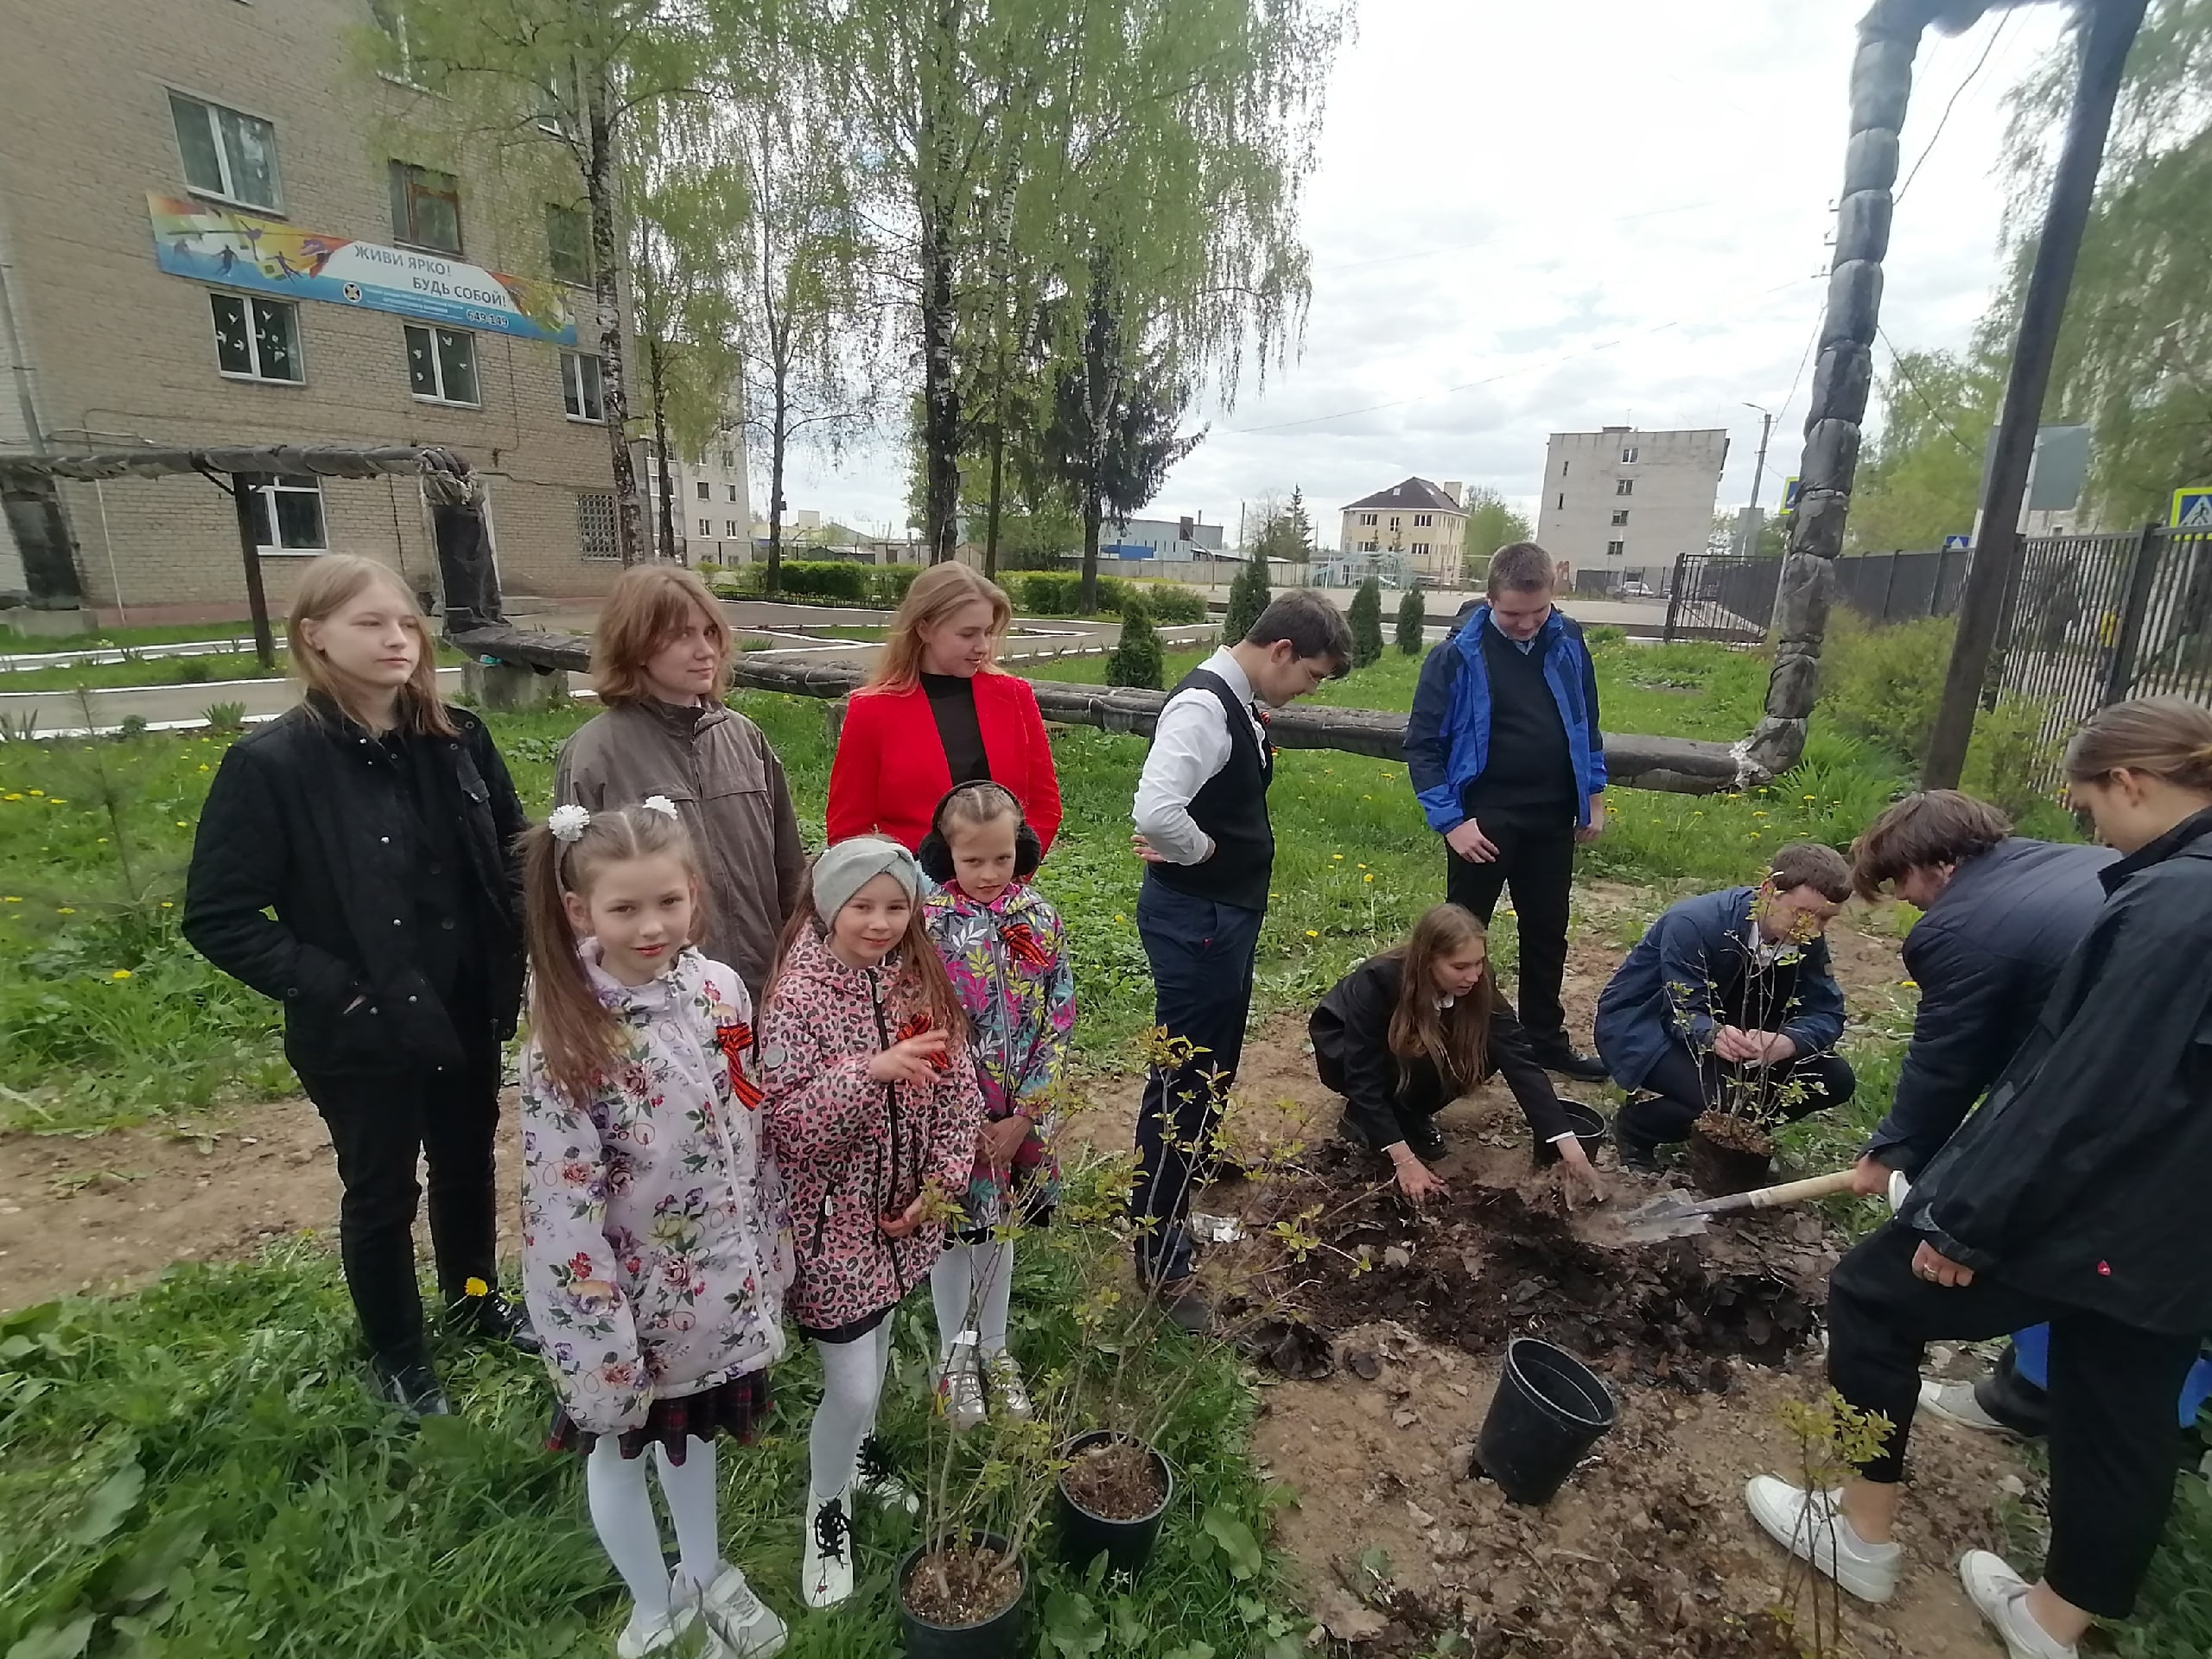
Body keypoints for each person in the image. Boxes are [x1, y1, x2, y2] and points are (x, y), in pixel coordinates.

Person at [1744, 697, 2212, 1659]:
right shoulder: (2156, 878)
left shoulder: (2171, 905)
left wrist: (1962, 1218)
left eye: (2091, 806)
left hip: (2119, 1200)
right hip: (2188, 1222)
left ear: (2130, 783)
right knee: (2120, 1402)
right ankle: (2050, 1623)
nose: (2093, 831)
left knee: (1873, 1297)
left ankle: (1860, 1534)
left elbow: (2072, 1087)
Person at [184, 555, 533, 1420]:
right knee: (380, 1190)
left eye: (407, 623)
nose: (395, 640)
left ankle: (475, 1295)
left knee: (465, 1165)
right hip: (361, 1026)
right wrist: (335, 990)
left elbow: (513, 857)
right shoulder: (274, 764)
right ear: (314, 638)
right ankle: (400, 1356)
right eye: (369, 623)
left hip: (462, 1006)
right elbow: (220, 914)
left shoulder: (458, 740)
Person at [517, 801, 791, 1659]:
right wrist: (600, 1342)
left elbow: (746, 1122)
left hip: (712, 1298)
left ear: (694, 894)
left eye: (667, 903)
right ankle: (651, 1607)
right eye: (625, 909)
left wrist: (767, 1249)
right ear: (578, 913)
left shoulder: (718, 992)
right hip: (627, 1313)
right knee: (621, 1452)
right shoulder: (569, 1039)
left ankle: (705, 1575)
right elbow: (561, 1212)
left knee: (691, 1437)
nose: (651, 926)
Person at [1840, 791, 2133, 1440]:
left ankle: (1856, 1522)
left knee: (1869, 1292)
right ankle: (2027, 1398)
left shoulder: (1964, 926)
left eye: (1900, 880)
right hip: (2160, 1122)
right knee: (2106, 1297)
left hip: (2104, 1132)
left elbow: (1947, 1067)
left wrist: (1895, 1151)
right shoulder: (2072, 862)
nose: (1907, 899)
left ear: (1939, 862)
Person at [758, 837, 983, 1610]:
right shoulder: (797, 997)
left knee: (878, 1357)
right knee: (850, 1386)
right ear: (828, 908)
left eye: (897, 906)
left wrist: (943, 1181)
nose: (882, 923)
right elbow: (785, 1126)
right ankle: (828, 1508)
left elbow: (959, 1094)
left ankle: (856, 1461)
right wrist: (868, 1072)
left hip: (902, 1225)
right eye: (863, 907)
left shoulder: (917, 978)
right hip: (832, 1235)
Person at [1129, 589, 1353, 1328]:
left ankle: (1169, 1214)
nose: (1308, 691)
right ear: (1282, 651)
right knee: (1187, 1074)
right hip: (1198, 921)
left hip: (1219, 919)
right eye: (1313, 675)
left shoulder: (1237, 702)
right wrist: (1200, 852)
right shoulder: (1202, 708)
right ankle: (1159, 1255)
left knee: (1211, 1068)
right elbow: (1157, 810)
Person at [1404, 543, 1609, 1083]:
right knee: (1461, 940)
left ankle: (1544, 1040)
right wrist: (1451, 821)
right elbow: (1422, 745)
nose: (1527, 625)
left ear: (1552, 597)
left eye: (1537, 613)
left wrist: (1592, 793)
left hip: (1552, 817)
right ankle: (1449, 1044)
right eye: (1514, 614)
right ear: (1490, 598)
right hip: (1483, 821)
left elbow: (1586, 720)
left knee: (1548, 931)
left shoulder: (1567, 641)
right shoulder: (1455, 655)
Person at [556, 564, 808, 1004]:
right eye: (682, 636)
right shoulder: (594, 755)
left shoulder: (745, 738)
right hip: (656, 1001)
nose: (705, 650)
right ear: (635, 647)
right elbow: (571, 895)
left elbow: (788, 867)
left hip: (765, 986)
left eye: (711, 633)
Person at [919, 782, 1075, 1429]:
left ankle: (996, 1345)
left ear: (1022, 852)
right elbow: (914, 1023)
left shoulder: (1040, 919)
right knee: (954, 1229)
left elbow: (1058, 1017)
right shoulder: (925, 927)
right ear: (945, 857)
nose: (987, 875)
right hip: (952, 1117)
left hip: (1017, 1117)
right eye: (972, 861)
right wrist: (965, 1117)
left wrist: (1025, 1115)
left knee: (999, 1227)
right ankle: (954, 1355)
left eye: (1001, 860)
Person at [1310, 903, 1606, 1208]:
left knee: (1483, 1047)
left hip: (1411, 1050)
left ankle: (1410, 1111)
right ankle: (1367, 1118)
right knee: (1410, 1054)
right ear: (1428, 961)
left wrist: (1569, 1146)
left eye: (1478, 963)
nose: (1473, 976)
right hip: (1347, 1051)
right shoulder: (1378, 979)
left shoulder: (1478, 982)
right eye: (1460, 967)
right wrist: (1405, 1160)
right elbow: (1362, 1070)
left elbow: (1519, 1058)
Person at [1594, 842, 1856, 1171]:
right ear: (1769, 890)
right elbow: (1682, 1010)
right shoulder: (1693, 922)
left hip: (1735, 1031)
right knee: (1730, 1100)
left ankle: (1733, 1130)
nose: (1814, 930)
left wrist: (1788, 1042)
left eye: (1827, 919)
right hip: (1646, 1025)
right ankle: (1638, 1126)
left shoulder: (1805, 937)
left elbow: (1827, 1012)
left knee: (1835, 1079)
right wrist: (1713, 1035)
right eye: (1804, 915)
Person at [827, 563, 1063, 855]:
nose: (983, 647)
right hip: (911, 888)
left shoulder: (1014, 696)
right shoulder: (872, 710)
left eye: (987, 632)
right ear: (924, 628)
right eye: (967, 634)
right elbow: (847, 829)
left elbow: (1045, 806)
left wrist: (1008, 872)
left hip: (999, 889)